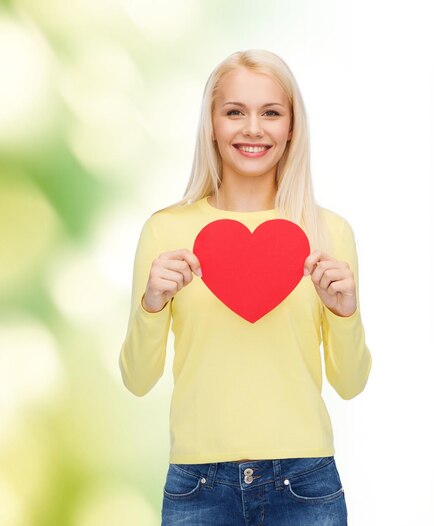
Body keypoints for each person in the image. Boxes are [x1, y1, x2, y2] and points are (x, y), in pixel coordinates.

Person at [118, 49, 372, 526]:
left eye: (270, 113)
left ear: (291, 127)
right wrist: (152, 305)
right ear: (211, 124)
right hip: (198, 487)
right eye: (235, 112)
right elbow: (137, 379)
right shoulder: (165, 230)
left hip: (306, 484)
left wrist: (345, 314)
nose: (253, 128)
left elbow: (352, 383)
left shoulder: (329, 232)